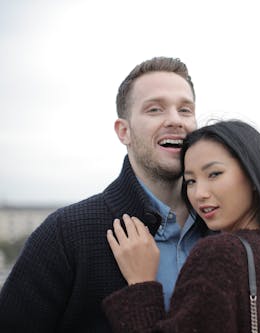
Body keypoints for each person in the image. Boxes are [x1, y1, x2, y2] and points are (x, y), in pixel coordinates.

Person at [0, 57, 210, 332]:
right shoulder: (65, 234)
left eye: (185, 110)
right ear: (124, 131)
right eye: (155, 109)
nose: (175, 120)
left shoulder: (226, 229)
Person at [102, 120, 260, 333]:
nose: (199, 194)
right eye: (190, 181)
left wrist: (141, 284)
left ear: (254, 176)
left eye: (214, 174)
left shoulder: (220, 253)